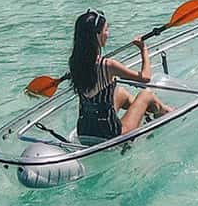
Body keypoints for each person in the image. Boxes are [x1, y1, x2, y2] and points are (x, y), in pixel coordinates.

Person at [69, 9, 171, 141]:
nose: (108, 34)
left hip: (84, 131)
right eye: (106, 30)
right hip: (110, 134)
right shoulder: (108, 65)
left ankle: (146, 113)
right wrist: (143, 49)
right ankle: (166, 112)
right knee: (146, 95)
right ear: (97, 35)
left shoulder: (74, 63)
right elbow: (145, 77)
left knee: (120, 93)